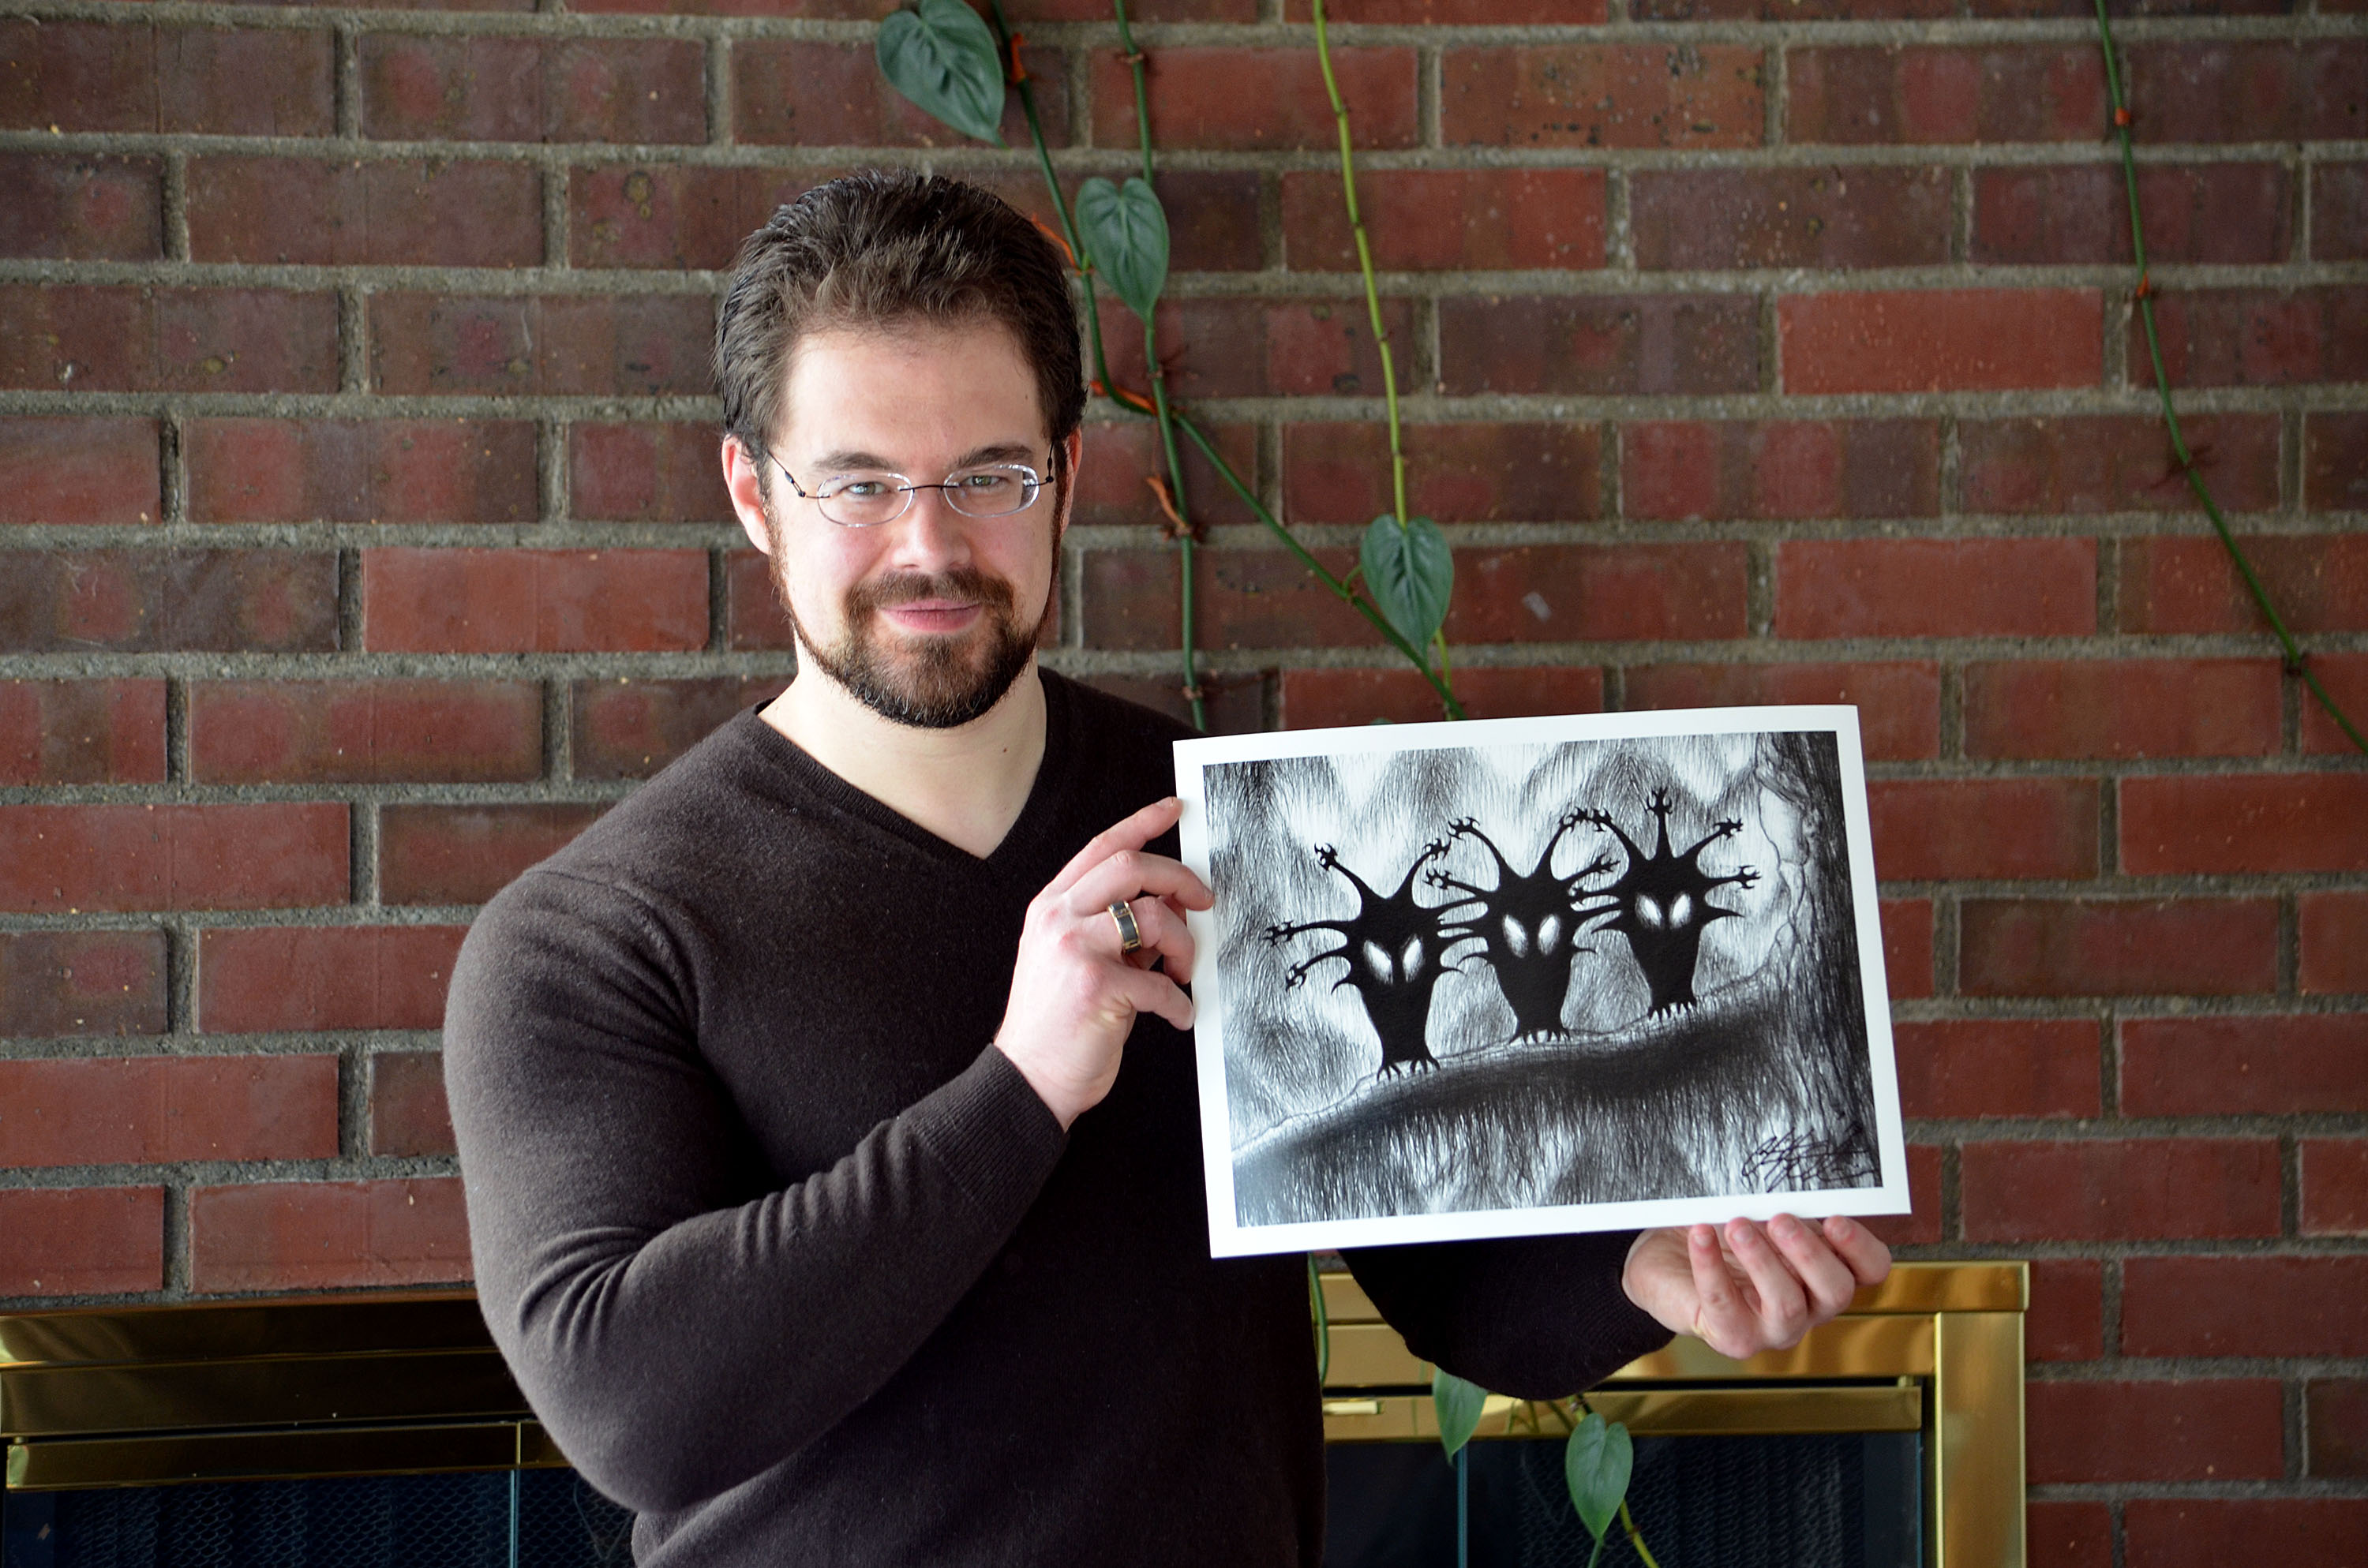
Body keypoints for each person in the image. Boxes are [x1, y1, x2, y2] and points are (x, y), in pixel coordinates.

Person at [442, 169, 1890, 1566]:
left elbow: (1445, 1280)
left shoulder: (1237, 831)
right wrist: (1022, 1089)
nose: (930, 544)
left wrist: (1645, 1274)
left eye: (990, 475)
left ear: (1068, 475)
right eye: (860, 484)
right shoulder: (593, 937)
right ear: (754, 496)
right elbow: (631, 1408)